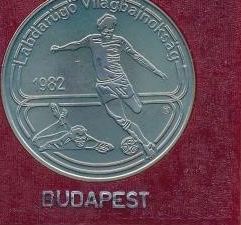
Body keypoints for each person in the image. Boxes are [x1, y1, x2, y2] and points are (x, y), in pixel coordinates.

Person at [51, 13, 166, 156]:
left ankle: (144, 139)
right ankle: (146, 144)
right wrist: (59, 48)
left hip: (121, 82)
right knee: (121, 120)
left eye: (111, 29)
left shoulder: (120, 41)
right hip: (103, 86)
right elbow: (77, 45)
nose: (108, 32)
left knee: (137, 109)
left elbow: (136, 55)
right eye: (105, 29)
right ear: (100, 29)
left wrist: (155, 71)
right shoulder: (92, 39)